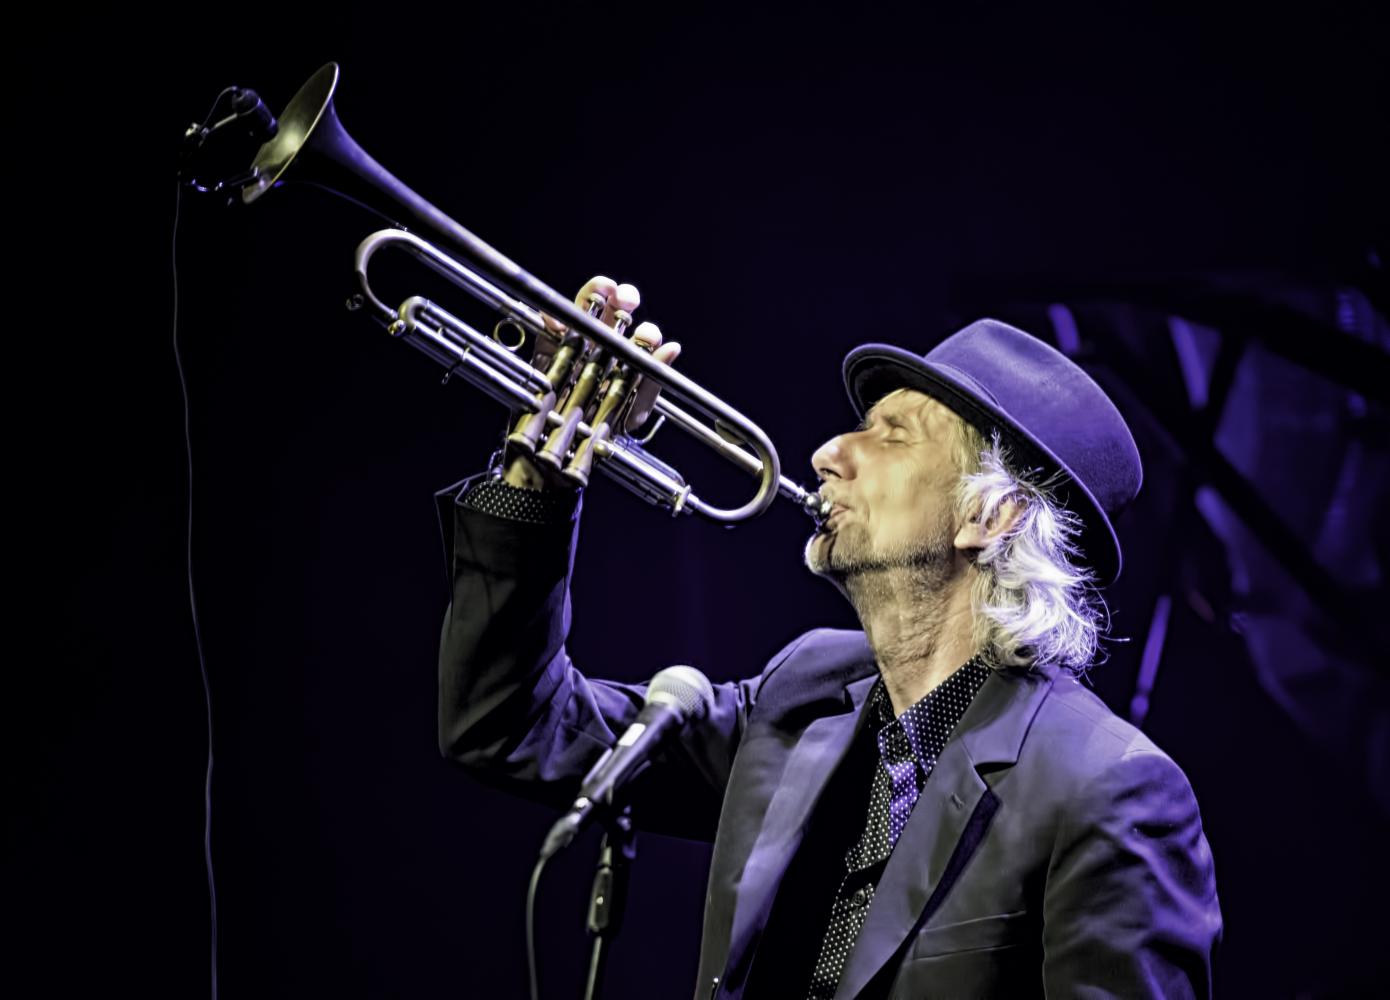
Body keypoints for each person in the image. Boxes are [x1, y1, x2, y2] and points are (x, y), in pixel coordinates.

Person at [435, 277, 1222, 999]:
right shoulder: (802, 694)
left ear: (992, 515)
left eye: (894, 434)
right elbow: (511, 725)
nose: (828, 453)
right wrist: (543, 464)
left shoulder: (1109, 789)